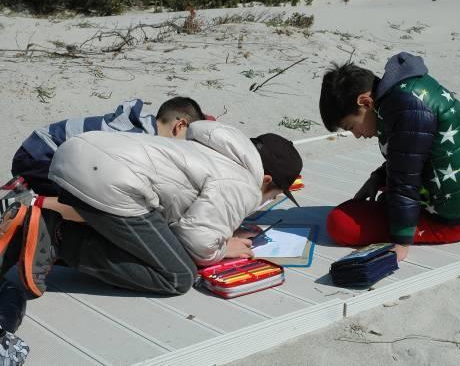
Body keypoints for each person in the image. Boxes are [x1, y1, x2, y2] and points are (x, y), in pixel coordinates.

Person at [0, 121, 302, 297]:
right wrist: (225, 247)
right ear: (266, 180)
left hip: (73, 158)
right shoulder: (244, 183)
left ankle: (22, 237)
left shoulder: (219, 150)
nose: (266, 199)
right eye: (272, 194)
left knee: (152, 242)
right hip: (111, 182)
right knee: (178, 276)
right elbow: (199, 245)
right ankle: (56, 236)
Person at [319, 52, 460, 262]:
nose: (357, 135)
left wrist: (401, 241)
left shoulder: (404, 108)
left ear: (365, 102)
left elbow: (405, 180)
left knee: (340, 223)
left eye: (352, 127)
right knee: (386, 199)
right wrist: (378, 178)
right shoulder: (405, 91)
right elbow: (412, 152)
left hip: (452, 222)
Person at [9, 96, 212, 197]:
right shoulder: (136, 138)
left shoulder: (142, 126)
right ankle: (28, 207)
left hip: (39, 149)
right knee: (86, 202)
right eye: (188, 140)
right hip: (41, 154)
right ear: (180, 125)